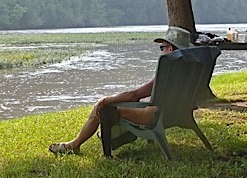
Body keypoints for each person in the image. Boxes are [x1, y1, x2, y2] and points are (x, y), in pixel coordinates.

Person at [49, 26, 192, 154]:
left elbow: (133, 95)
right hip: (175, 113)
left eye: (163, 47)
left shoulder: (167, 71)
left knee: (102, 109)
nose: (161, 51)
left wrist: (106, 99)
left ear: (171, 49)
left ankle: (73, 145)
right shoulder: (190, 68)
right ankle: (117, 137)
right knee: (124, 104)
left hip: (154, 116)